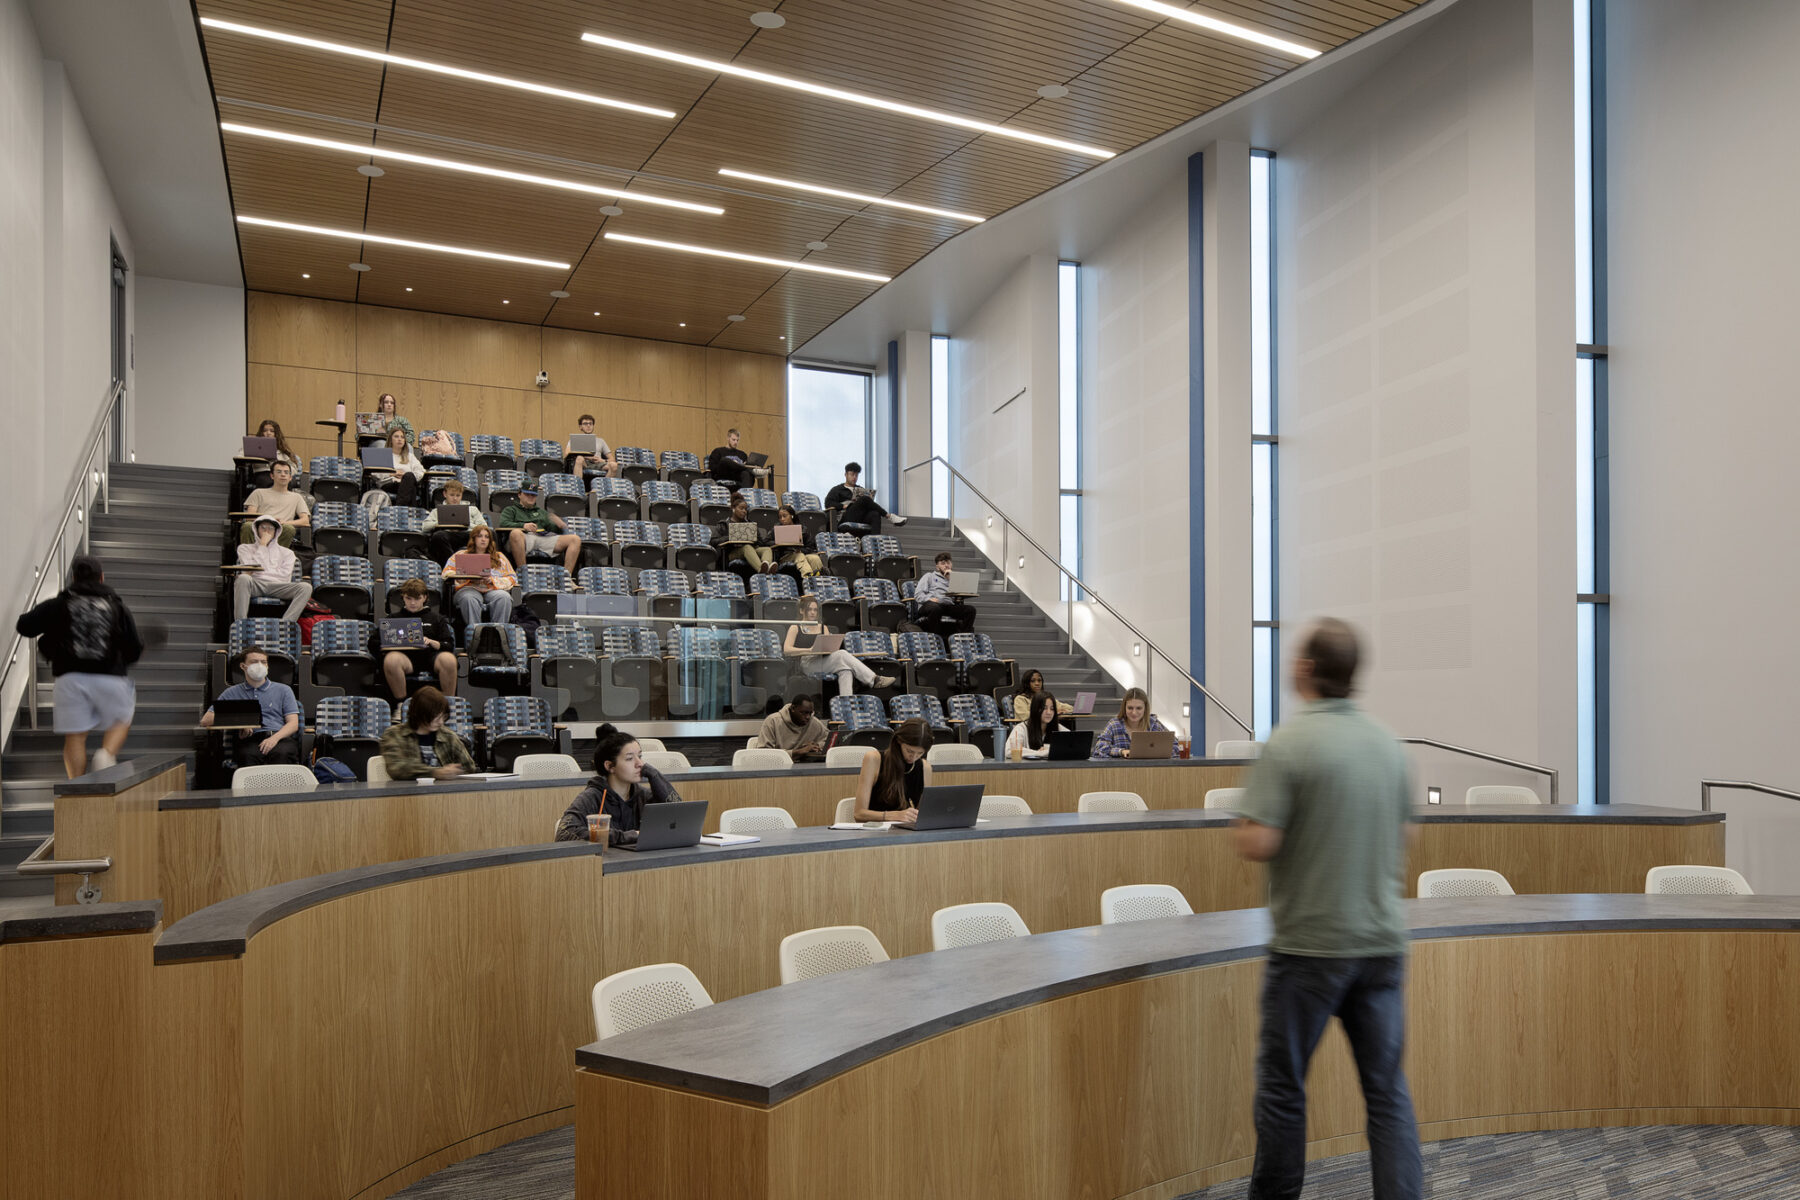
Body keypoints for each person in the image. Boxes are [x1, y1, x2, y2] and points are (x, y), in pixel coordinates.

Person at [1231, 619, 1422, 1200]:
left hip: (1309, 949)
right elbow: (1405, 835)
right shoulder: (1388, 744)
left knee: (1284, 1090)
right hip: (1382, 943)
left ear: (1309, 670)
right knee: (1387, 1093)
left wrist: (1247, 826)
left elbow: (1258, 841)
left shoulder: (1290, 741)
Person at [14, 555, 142, 776]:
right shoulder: (117, 606)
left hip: (70, 678)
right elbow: (134, 647)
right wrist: (124, 660)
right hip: (110, 676)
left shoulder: (60, 604)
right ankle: (106, 754)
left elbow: (24, 625)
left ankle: (77, 788)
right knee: (121, 719)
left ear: (73, 577)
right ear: (102, 578)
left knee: (75, 736)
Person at [553, 724, 684, 845]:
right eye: (629, 758)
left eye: (640, 756)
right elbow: (564, 834)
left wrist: (654, 775)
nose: (640, 764)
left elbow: (680, 817)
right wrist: (628, 836)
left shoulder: (642, 795)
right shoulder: (592, 797)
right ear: (610, 766)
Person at [200, 645, 300, 768]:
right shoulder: (232, 692)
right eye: (254, 662)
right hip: (250, 740)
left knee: (282, 753)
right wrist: (241, 722)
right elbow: (206, 720)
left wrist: (274, 739)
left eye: (263, 662)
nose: (260, 665)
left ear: (268, 666)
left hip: (279, 737)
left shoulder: (284, 690)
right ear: (243, 666)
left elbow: (293, 724)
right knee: (247, 756)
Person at [784, 595, 895, 697]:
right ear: (802, 610)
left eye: (815, 610)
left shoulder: (823, 627)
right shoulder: (795, 627)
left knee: (846, 670)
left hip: (823, 661)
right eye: (809, 609)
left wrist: (830, 648)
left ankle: (846, 705)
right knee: (842, 654)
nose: (813, 612)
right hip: (807, 663)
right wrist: (809, 650)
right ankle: (874, 679)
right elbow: (787, 650)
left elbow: (829, 649)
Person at [370, 578, 457, 700]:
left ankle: (448, 704)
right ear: (403, 598)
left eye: (417, 598)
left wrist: (433, 642)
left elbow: (449, 644)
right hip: (404, 658)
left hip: (431, 656)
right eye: (408, 598)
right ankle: (400, 704)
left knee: (449, 659)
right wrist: (392, 642)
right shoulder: (393, 619)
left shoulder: (437, 619)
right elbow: (373, 643)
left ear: (425, 598)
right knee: (392, 660)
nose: (412, 603)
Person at [378, 685, 476, 781]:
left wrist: (456, 771)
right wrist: (435, 772)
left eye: (443, 717)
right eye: (436, 718)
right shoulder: (393, 734)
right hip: (407, 793)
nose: (441, 722)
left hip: (443, 793)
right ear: (420, 714)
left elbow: (469, 767)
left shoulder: (448, 736)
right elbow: (397, 768)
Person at [232, 515, 313, 621]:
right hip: (255, 584)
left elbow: (285, 577)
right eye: (263, 528)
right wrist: (262, 545)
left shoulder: (287, 553)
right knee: (243, 578)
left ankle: (287, 623)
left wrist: (262, 573)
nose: (267, 532)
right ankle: (240, 623)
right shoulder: (244, 548)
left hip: (278, 586)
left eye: (270, 528)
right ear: (256, 530)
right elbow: (250, 570)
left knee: (305, 587)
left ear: (276, 531)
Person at [850, 718, 933, 822]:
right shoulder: (874, 759)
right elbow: (859, 814)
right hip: (874, 831)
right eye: (909, 751)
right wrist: (893, 816)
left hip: (905, 832)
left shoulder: (925, 768)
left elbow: (922, 815)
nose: (913, 757)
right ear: (899, 741)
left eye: (920, 753)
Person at [441, 525, 517, 629]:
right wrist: (465, 575)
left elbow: (512, 578)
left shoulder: (499, 557)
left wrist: (492, 580)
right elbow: (446, 573)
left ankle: (499, 632)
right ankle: (475, 633)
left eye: (487, 537)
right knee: (469, 598)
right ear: (473, 539)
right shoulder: (461, 555)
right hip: (469, 588)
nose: (483, 539)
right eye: (480, 536)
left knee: (504, 597)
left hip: (491, 589)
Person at [497, 480, 581, 572]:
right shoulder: (511, 510)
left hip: (543, 537)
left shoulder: (541, 512)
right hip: (524, 538)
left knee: (575, 539)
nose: (530, 497)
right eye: (527, 494)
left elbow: (553, 530)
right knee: (516, 533)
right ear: (519, 494)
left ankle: (566, 576)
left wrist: (559, 525)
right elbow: (504, 524)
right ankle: (523, 573)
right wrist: (523, 526)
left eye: (533, 495)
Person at [1091, 687, 1178, 759]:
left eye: (1139, 708)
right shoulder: (1114, 724)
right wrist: (1121, 751)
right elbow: (1098, 750)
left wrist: (1156, 752)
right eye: (1130, 708)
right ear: (1124, 707)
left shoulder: (1154, 724)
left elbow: (1176, 747)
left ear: (1145, 708)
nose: (1134, 713)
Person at [240, 460, 310, 545]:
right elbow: (249, 517)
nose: (283, 474)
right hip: (260, 527)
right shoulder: (258, 492)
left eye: (286, 472)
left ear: (290, 477)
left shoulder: (297, 497)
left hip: (281, 528)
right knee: (247, 526)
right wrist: (268, 521)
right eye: (279, 472)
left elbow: (305, 521)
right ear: (272, 476)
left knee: (289, 529)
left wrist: (284, 523)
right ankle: (249, 556)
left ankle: (275, 556)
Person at [422, 477, 487, 564]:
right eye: (452, 495)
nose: (455, 498)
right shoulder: (437, 511)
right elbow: (424, 527)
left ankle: (494, 566)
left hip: (468, 535)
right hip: (448, 536)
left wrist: (467, 524)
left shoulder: (472, 509)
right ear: (445, 494)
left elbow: (484, 527)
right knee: (438, 536)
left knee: (491, 534)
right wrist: (441, 522)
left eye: (458, 495)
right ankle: (453, 565)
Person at [824, 462, 906, 528]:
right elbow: (828, 503)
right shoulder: (837, 490)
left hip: (860, 516)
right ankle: (890, 517)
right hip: (845, 517)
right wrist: (843, 506)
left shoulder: (861, 489)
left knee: (875, 514)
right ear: (846, 474)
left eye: (856, 475)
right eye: (852, 474)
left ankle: (874, 544)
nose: (854, 477)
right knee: (864, 499)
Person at [914, 551, 975, 636]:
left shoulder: (955, 579)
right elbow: (918, 595)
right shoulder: (929, 576)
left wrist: (951, 579)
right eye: (943, 563)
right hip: (930, 605)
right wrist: (929, 599)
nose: (946, 565)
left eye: (948, 563)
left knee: (970, 610)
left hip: (948, 606)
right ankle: (936, 637)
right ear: (937, 567)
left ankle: (963, 637)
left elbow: (962, 595)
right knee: (936, 608)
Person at [751, 695, 829, 760]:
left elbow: (829, 740)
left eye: (810, 713)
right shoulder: (773, 721)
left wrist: (816, 746)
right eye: (803, 713)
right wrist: (799, 751)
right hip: (778, 768)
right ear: (793, 709)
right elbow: (763, 755)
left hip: (805, 767)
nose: (808, 717)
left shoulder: (813, 722)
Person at [715, 494, 774, 574]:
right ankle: (761, 570)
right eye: (741, 508)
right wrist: (731, 537)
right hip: (732, 552)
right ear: (733, 509)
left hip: (752, 550)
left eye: (746, 509)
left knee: (767, 549)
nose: (744, 511)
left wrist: (753, 538)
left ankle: (767, 568)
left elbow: (761, 543)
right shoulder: (724, 524)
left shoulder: (750, 524)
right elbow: (713, 541)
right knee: (747, 547)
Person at [1005, 692, 1072, 760]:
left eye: (1052, 709)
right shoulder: (1021, 728)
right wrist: (1041, 753)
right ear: (1035, 709)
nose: (1049, 712)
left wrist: (1048, 748)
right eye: (1044, 708)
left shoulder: (1058, 727)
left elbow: (1072, 746)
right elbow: (1009, 751)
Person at [370, 426, 425, 507]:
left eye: (402, 437)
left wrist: (405, 476)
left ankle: (399, 508)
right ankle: (408, 512)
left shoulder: (409, 456)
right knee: (411, 488)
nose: (400, 439)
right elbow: (375, 473)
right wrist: (392, 474)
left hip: (405, 483)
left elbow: (421, 471)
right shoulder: (383, 454)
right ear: (391, 440)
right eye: (396, 436)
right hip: (389, 483)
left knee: (409, 477)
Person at [563, 413, 618, 479]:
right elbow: (567, 453)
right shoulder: (575, 439)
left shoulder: (601, 441)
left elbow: (612, 459)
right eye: (585, 424)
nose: (588, 426)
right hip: (584, 463)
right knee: (579, 458)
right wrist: (588, 457)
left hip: (598, 463)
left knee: (614, 465)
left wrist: (602, 460)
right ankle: (578, 486)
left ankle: (602, 487)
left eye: (590, 423)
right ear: (580, 427)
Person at [773, 505, 823, 577]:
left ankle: (820, 578)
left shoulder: (803, 529)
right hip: (785, 556)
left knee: (814, 558)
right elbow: (766, 542)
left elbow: (810, 547)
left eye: (784, 516)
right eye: (780, 517)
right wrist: (778, 542)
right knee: (799, 556)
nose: (782, 519)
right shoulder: (776, 529)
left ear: (792, 516)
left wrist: (800, 550)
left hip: (802, 553)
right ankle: (807, 576)